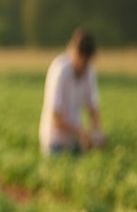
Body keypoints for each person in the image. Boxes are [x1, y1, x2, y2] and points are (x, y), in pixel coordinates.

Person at [39, 28, 106, 156]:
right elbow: (55, 119)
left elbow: (92, 107)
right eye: (83, 60)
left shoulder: (88, 71)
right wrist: (80, 132)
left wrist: (97, 133)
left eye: (88, 61)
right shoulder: (60, 70)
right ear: (74, 52)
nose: (85, 65)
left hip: (74, 141)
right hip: (55, 143)